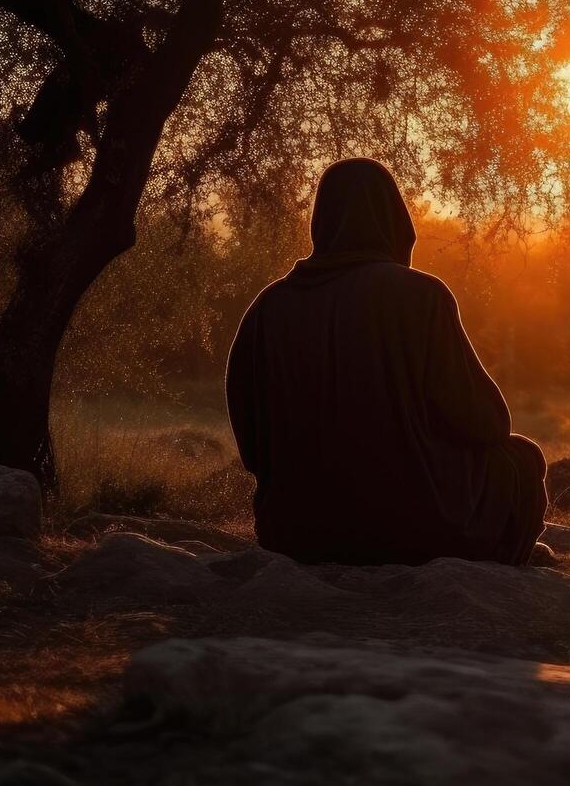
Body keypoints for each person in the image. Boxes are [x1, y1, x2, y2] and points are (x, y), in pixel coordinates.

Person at [226, 158, 547, 566]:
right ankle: (504, 549)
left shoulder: (268, 307)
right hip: (415, 529)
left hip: (295, 531)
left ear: (322, 220)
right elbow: (487, 423)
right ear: (396, 221)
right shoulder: (421, 296)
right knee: (521, 458)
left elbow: (251, 448)